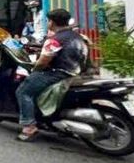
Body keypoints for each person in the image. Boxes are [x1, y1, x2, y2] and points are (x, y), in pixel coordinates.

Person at [16, 8, 88, 142]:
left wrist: (34, 69)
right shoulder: (78, 36)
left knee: (23, 91)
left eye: (48, 21)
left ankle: (29, 127)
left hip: (58, 73)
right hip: (76, 72)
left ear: (52, 22)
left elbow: (43, 62)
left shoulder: (54, 40)